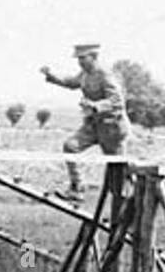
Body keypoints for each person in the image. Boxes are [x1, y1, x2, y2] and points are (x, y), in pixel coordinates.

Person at [41, 43, 130, 203]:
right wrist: (52, 76)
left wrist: (95, 106)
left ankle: (125, 211)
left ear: (94, 57)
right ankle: (77, 188)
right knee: (71, 146)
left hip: (112, 128)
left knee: (117, 174)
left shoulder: (105, 74)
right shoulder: (85, 74)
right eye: (78, 59)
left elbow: (117, 101)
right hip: (94, 126)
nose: (80, 62)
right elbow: (71, 83)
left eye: (83, 58)